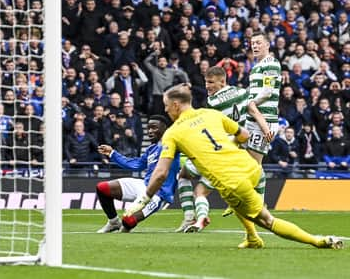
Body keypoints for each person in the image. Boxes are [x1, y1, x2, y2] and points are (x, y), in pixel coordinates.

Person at [125, 84, 342, 249]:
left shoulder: (173, 133)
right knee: (233, 200)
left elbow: (161, 173)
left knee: (266, 219)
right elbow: (244, 135)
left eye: (165, 106)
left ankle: (319, 241)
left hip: (233, 181)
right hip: (250, 167)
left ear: (175, 105)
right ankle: (251, 237)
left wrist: (143, 200)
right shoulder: (211, 114)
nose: (165, 110)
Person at [177, 67, 250, 233]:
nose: (207, 86)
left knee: (185, 178)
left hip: (214, 150)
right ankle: (199, 219)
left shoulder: (213, 102)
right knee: (201, 190)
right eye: (205, 82)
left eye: (210, 82)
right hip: (234, 152)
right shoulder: (242, 93)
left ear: (222, 81)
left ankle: (191, 218)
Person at [95, 115, 179, 233]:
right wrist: (112, 153)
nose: (149, 131)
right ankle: (113, 222)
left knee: (128, 221)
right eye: (148, 128)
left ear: (165, 129)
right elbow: (135, 165)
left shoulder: (174, 145)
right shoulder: (151, 149)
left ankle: (124, 226)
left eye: (154, 128)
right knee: (102, 188)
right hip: (144, 185)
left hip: (159, 194)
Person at [244, 33, 281, 205]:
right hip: (253, 119)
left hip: (264, 119)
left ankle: (258, 202)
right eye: (252, 43)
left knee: (254, 163)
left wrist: (251, 102)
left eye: (258, 43)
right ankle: (254, 199)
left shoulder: (270, 63)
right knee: (248, 161)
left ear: (267, 44)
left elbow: (268, 91)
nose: (255, 46)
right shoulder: (257, 65)